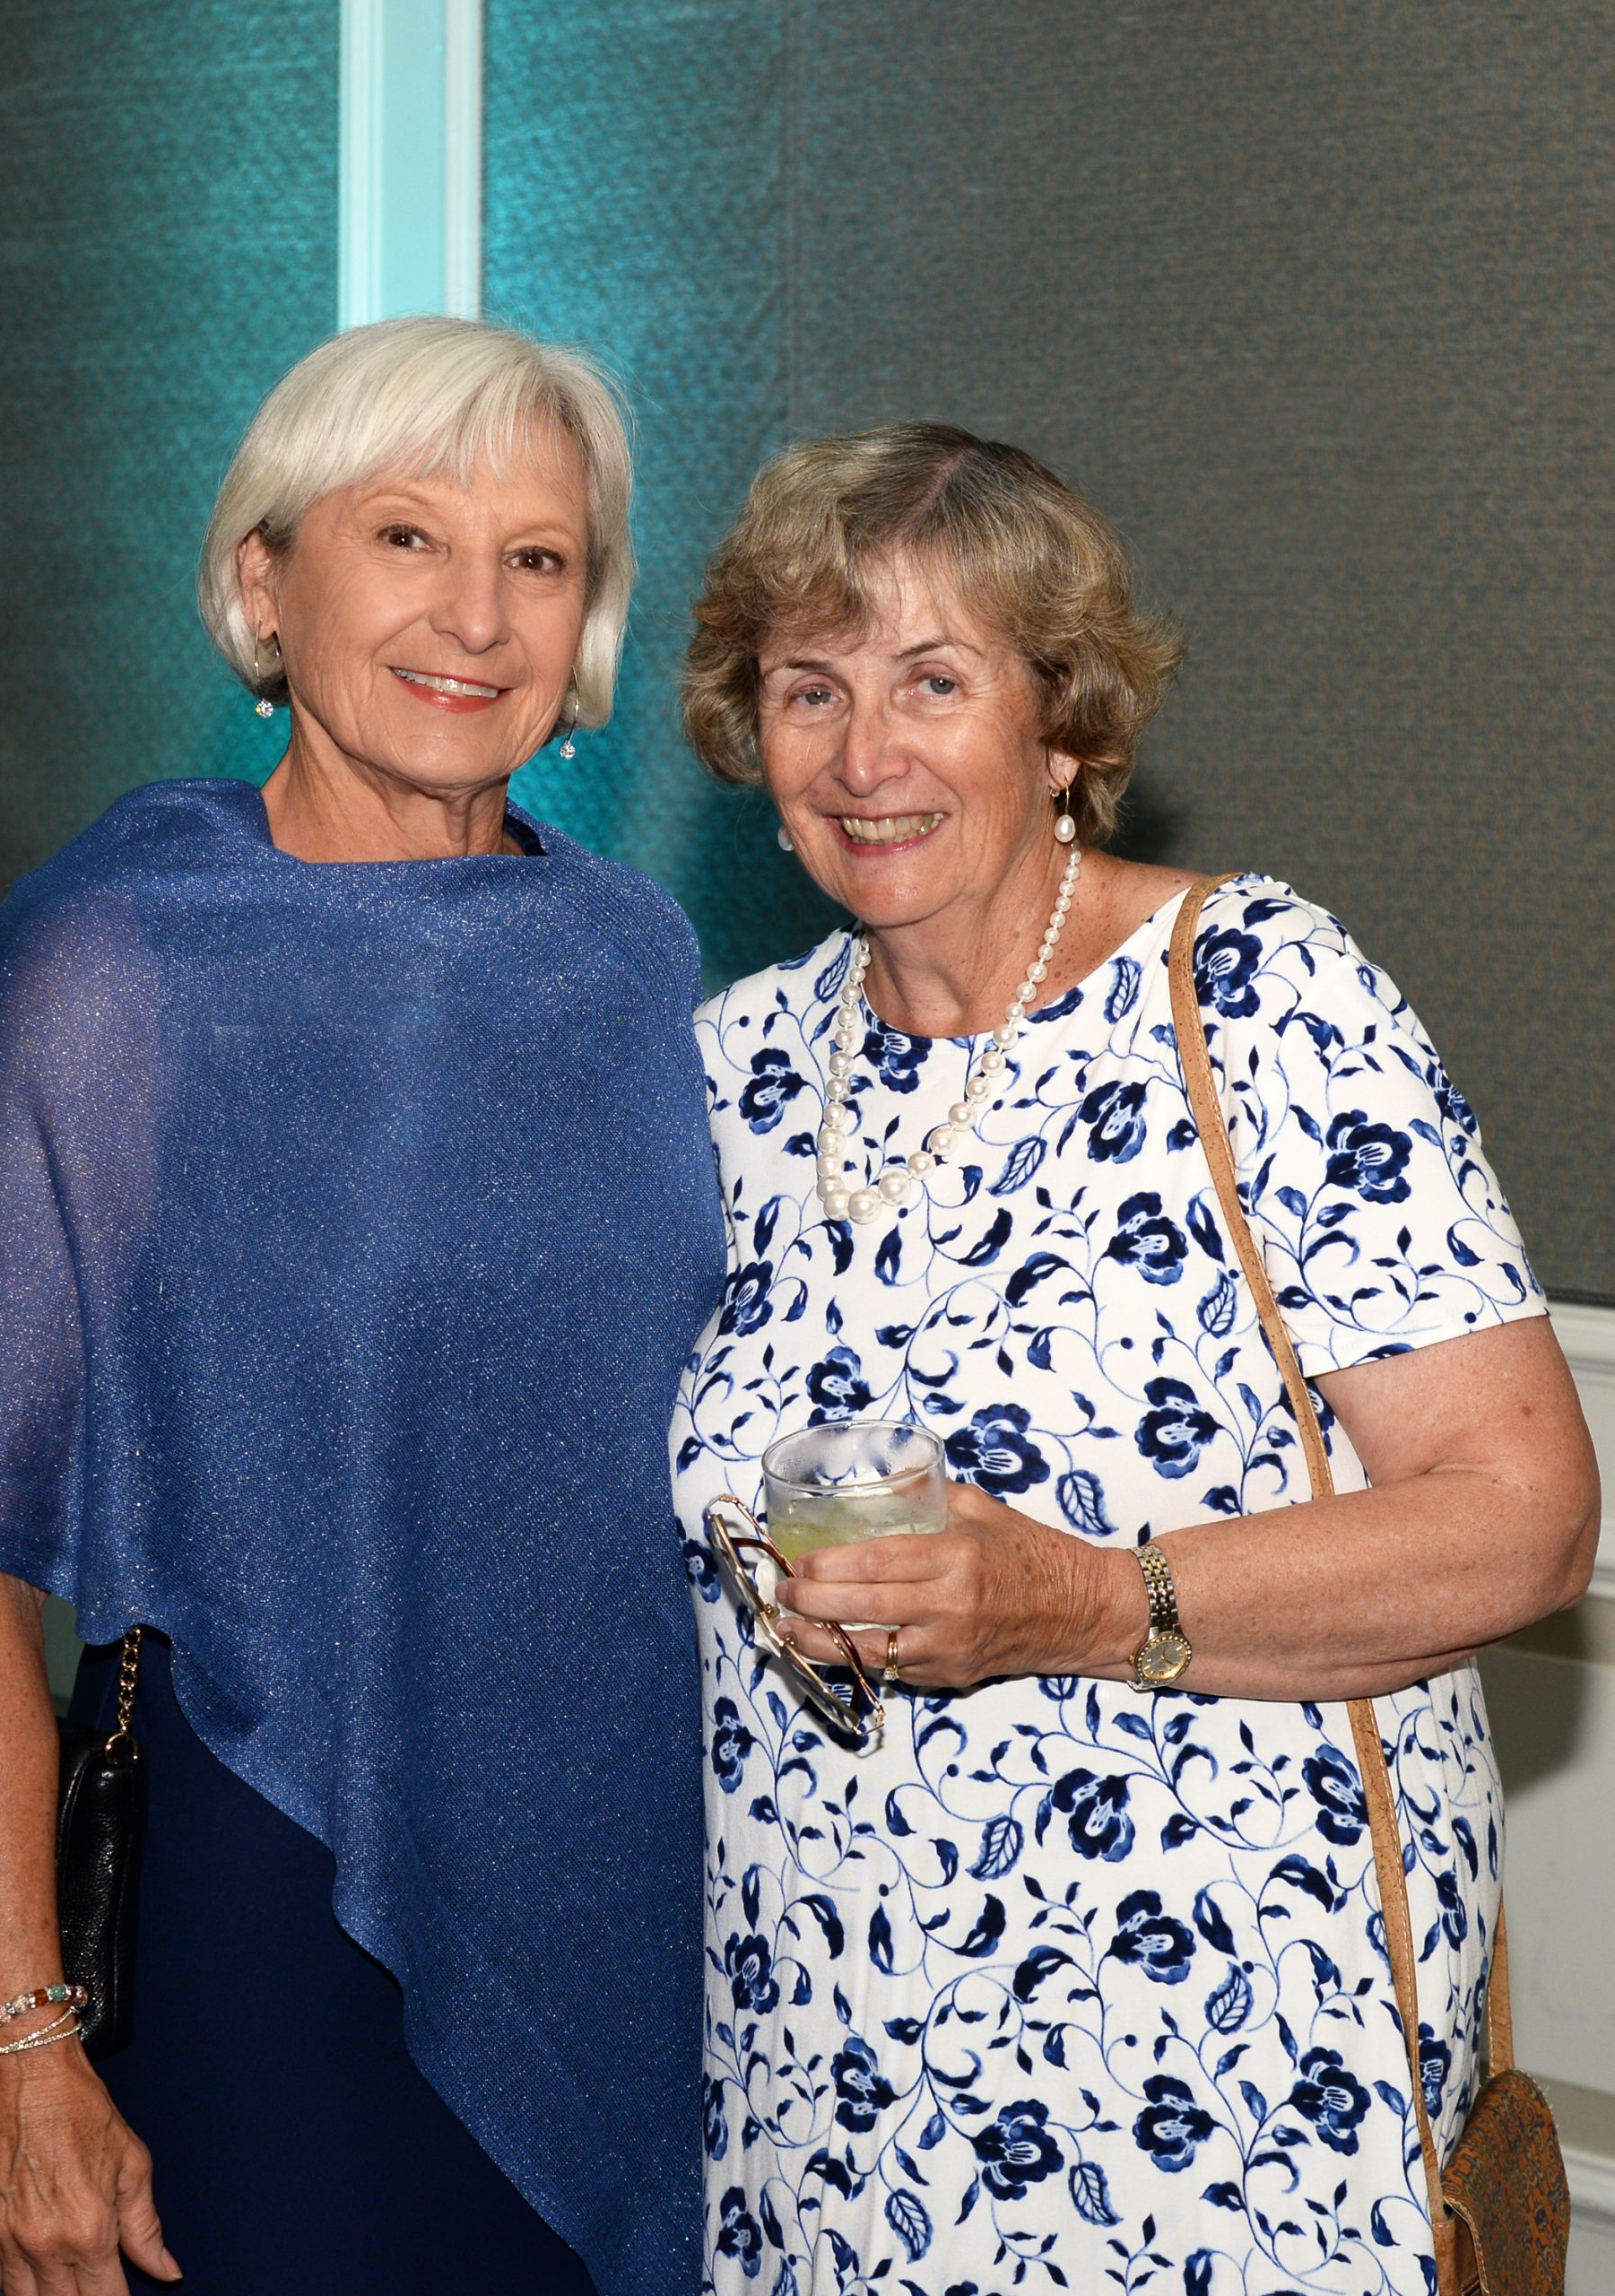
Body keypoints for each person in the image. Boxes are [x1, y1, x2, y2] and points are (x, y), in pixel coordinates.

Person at [671, 422, 1599, 2294]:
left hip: (1229, 2080)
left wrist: (1078, 1600)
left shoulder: (1253, 996)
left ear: (1062, 724)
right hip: (826, 2073)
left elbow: (1525, 1521)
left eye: (934, 681)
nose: (863, 753)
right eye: (809, 688)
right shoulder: (729, 1067)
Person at [0, 317, 724, 2296]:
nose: (476, 615)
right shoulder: (120, 967)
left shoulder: (628, 953)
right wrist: (15, 2046)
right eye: (406, 537)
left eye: (537, 558)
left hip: (635, 1883)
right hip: (279, 1893)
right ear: (267, 580)